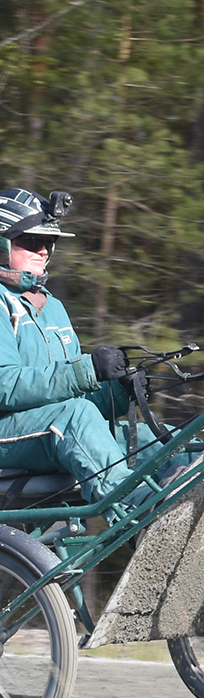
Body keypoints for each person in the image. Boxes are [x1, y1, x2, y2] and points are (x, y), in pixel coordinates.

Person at [0, 187, 140, 505]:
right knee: (73, 418)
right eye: (32, 241)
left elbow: (74, 394)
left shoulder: (53, 307)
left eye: (49, 242)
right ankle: (135, 511)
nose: (44, 251)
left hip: (43, 428)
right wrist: (86, 370)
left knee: (147, 440)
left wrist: (120, 389)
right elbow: (4, 385)